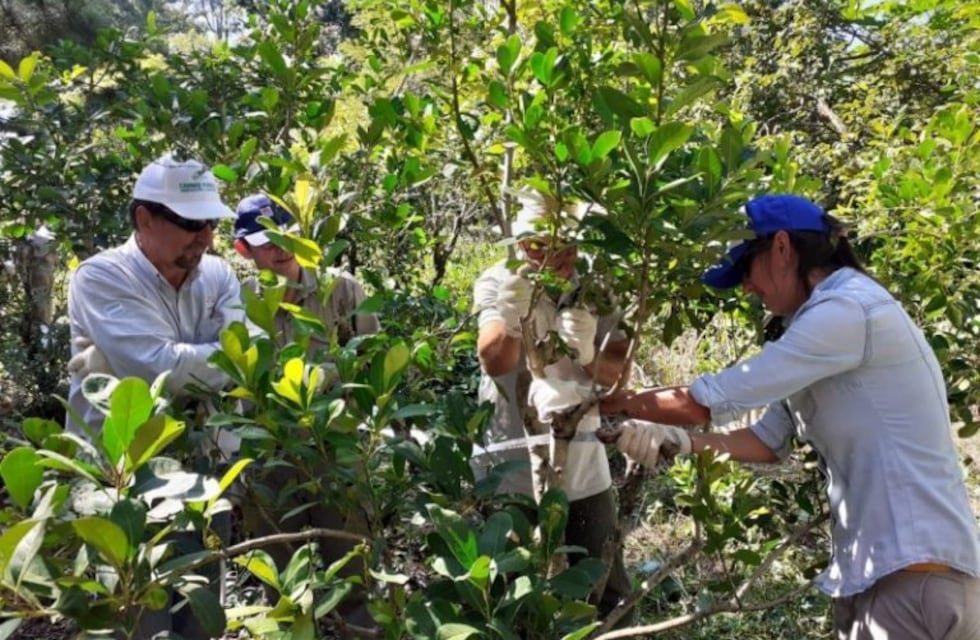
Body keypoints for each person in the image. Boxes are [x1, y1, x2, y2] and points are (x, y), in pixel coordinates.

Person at [603, 194, 980, 640]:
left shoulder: (846, 311)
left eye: (746, 267)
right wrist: (682, 442)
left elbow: (704, 401)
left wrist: (603, 403)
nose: (746, 287)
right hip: (894, 575)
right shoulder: (822, 325)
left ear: (782, 247)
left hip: (913, 579)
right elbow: (768, 441)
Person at [66, 153, 243, 639]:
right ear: (144, 218)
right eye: (190, 223)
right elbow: (160, 367)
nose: (205, 236)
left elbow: (247, 353)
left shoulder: (219, 276)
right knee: (137, 618)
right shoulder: (101, 276)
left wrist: (186, 360)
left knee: (199, 612)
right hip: (123, 475)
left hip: (204, 469)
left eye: (210, 223)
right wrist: (216, 358)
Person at [471, 189, 633, 617]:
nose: (558, 259)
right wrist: (512, 321)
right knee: (513, 591)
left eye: (567, 247)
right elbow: (493, 361)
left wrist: (588, 354)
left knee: (605, 588)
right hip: (511, 459)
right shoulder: (498, 280)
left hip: (582, 454)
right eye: (543, 246)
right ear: (524, 244)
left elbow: (618, 375)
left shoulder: (595, 288)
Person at [232, 193, 379, 634]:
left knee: (354, 571)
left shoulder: (341, 290)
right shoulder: (237, 301)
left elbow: (373, 362)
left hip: (336, 453)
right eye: (266, 242)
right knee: (281, 583)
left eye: (288, 237)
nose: (281, 249)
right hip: (270, 458)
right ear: (243, 249)